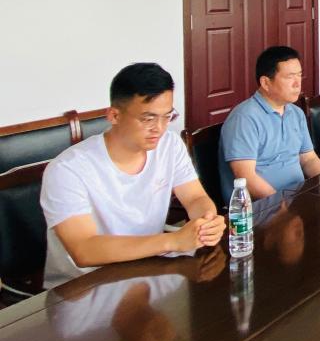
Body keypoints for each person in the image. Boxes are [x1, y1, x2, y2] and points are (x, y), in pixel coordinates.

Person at [39, 63, 226, 288]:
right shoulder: (68, 169)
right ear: (114, 115)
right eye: (148, 119)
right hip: (84, 287)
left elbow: (195, 197)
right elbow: (84, 250)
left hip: (150, 269)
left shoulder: (169, 145)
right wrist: (173, 241)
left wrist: (206, 221)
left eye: (167, 117)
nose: (159, 128)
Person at [219, 46, 320, 203]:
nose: (297, 84)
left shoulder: (296, 113)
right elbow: (246, 177)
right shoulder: (244, 118)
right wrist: (281, 206)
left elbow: (308, 159)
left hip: (297, 198)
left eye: (299, 75)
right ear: (265, 82)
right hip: (261, 207)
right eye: (290, 77)